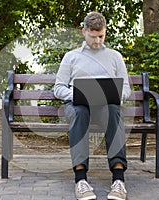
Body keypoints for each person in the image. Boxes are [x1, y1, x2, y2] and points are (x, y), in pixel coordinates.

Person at [54, 12, 132, 200]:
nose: (97, 41)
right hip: (79, 106)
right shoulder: (71, 57)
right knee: (80, 113)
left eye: (101, 36)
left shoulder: (115, 56)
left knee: (114, 111)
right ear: (84, 32)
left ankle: (118, 180)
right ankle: (81, 180)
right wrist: (78, 94)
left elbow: (126, 88)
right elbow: (58, 88)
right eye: (93, 36)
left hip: (105, 106)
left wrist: (115, 95)